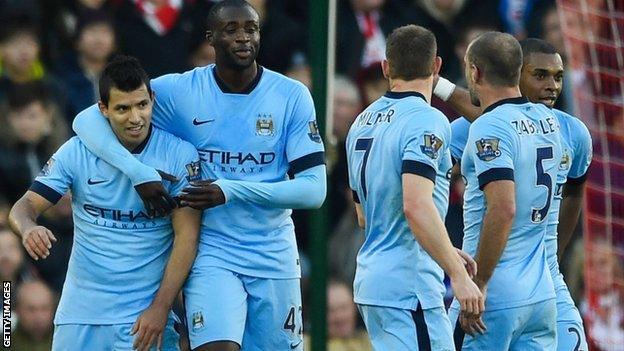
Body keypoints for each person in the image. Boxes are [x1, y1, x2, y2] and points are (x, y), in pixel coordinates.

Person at [70, 1, 327, 350]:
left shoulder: (291, 95)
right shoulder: (181, 92)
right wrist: (138, 171)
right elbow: (86, 120)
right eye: (231, 29)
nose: (242, 38)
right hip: (213, 250)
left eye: (250, 29)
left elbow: (314, 191)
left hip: (273, 251)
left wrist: (230, 190)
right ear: (211, 38)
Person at [8, 55, 202, 351]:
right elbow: (24, 207)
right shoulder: (76, 152)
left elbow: (187, 237)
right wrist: (28, 227)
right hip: (80, 313)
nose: (135, 118)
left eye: (142, 105)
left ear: (152, 99)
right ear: (103, 109)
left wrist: (161, 307)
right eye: (123, 109)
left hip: (142, 317)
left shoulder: (179, 155)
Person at [438, 38, 593, 351]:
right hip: (539, 293)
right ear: (516, 73)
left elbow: (567, 196)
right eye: (540, 75)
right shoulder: (552, 126)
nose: (552, 85)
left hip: (500, 287)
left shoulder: (569, 131)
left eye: (558, 77)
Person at [345, 24, 483, 350]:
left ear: (386, 67)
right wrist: (458, 275)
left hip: (373, 281)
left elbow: (364, 216)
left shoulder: (361, 122)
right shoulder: (426, 119)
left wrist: (443, 248)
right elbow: (415, 206)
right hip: (409, 287)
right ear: (436, 66)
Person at [12, 280, 55, 351]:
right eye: (31, 309)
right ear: (18, 311)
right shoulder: (5, 344)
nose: (39, 317)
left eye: (44, 308)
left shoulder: (66, 341)